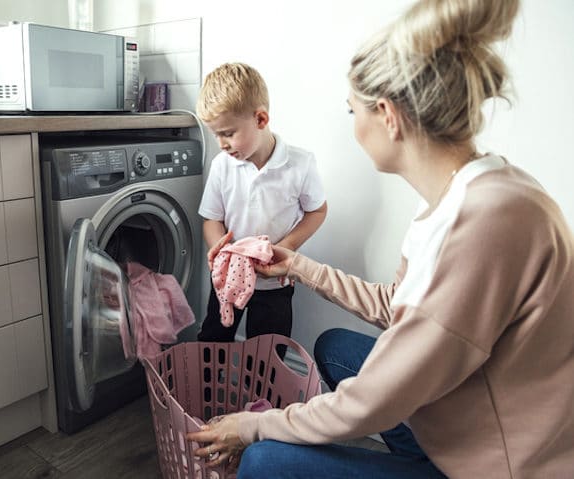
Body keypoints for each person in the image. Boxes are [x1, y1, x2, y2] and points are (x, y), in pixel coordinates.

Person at [187, 0, 574, 477]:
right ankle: (415, 448)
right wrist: (298, 266)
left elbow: (371, 399)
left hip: (496, 463)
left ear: (387, 116)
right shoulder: (459, 195)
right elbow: (399, 306)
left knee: (264, 458)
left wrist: (255, 426)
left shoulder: (484, 225)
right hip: (465, 408)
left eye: (353, 111)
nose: (352, 126)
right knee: (332, 347)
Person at [195, 62, 328, 344]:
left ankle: (258, 390)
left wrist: (287, 247)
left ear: (261, 120)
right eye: (215, 135)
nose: (221, 143)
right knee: (212, 339)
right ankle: (204, 387)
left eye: (228, 133)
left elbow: (317, 211)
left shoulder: (300, 164)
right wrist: (221, 250)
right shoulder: (222, 166)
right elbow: (211, 219)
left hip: (275, 282)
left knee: (268, 351)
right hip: (229, 277)